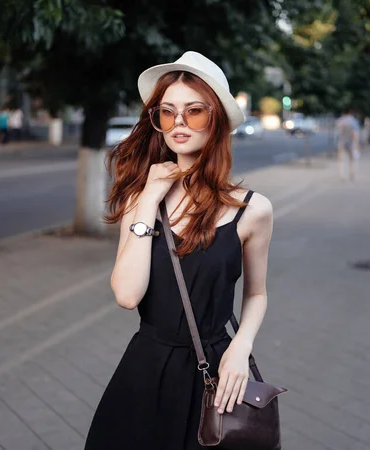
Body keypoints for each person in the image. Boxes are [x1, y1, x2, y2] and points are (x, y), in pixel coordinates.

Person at [83, 51, 274, 450]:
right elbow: (127, 294)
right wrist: (150, 199)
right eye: (167, 113)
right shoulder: (142, 199)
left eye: (194, 111)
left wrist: (241, 347)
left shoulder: (253, 210)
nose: (180, 123)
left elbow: (256, 293)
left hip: (218, 373)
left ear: (217, 119)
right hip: (147, 371)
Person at [335, 108, 360, 181]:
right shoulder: (353, 121)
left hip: (341, 142)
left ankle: (341, 175)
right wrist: (356, 144)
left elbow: (337, 133)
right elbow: (355, 134)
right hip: (351, 143)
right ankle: (351, 173)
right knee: (351, 159)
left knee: (341, 160)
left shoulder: (340, 121)